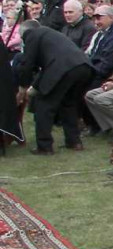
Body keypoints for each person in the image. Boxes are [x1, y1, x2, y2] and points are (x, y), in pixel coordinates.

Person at [15, 21, 93, 154]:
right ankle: (74, 141)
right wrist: (34, 86)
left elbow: (27, 64)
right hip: (84, 66)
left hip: (63, 68)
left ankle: (44, 146)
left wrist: (22, 88)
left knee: (43, 105)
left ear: (24, 33)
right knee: (69, 104)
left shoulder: (32, 35)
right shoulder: (50, 34)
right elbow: (46, 67)